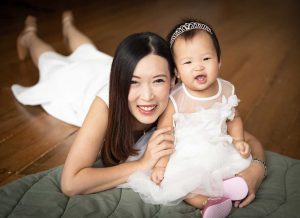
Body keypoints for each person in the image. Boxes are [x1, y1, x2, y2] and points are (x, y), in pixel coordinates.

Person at [13, 11, 266, 211]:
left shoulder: (181, 97)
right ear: (125, 79)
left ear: (174, 78)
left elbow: (241, 135)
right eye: (134, 82)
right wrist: (144, 164)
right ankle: (30, 37)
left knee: (88, 52)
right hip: (78, 83)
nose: (148, 96)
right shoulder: (105, 105)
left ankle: (69, 28)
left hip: (117, 66)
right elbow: (70, 183)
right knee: (50, 62)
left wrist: (255, 171)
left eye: (159, 81)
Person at [118, 19, 267, 218]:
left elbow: (234, 118)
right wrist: (161, 165)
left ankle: (229, 188)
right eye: (188, 62)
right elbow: (165, 133)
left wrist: (239, 140)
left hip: (218, 147)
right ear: (177, 72)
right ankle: (208, 203)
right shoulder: (177, 97)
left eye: (206, 59)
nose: (198, 67)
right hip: (184, 153)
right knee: (180, 184)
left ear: (219, 61)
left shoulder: (227, 89)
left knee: (239, 163)